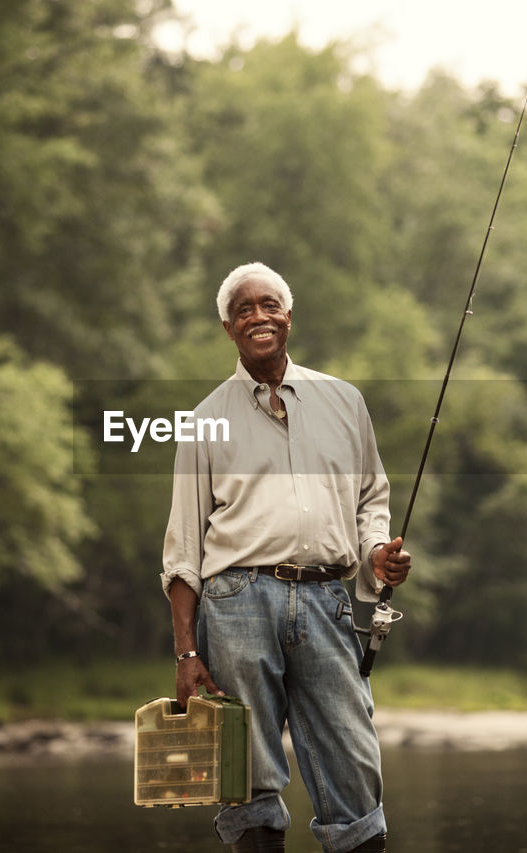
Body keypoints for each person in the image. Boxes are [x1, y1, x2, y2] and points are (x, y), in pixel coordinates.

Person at [162, 262, 412, 853]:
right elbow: (182, 547)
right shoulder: (203, 421)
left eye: (268, 305)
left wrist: (377, 555)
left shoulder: (345, 402)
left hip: (327, 597)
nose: (258, 316)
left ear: (289, 316)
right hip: (235, 602)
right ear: (228, 328)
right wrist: (186, 654)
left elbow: (371, 499)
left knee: (353, 756)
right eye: (243, 309)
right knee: (247, 773)